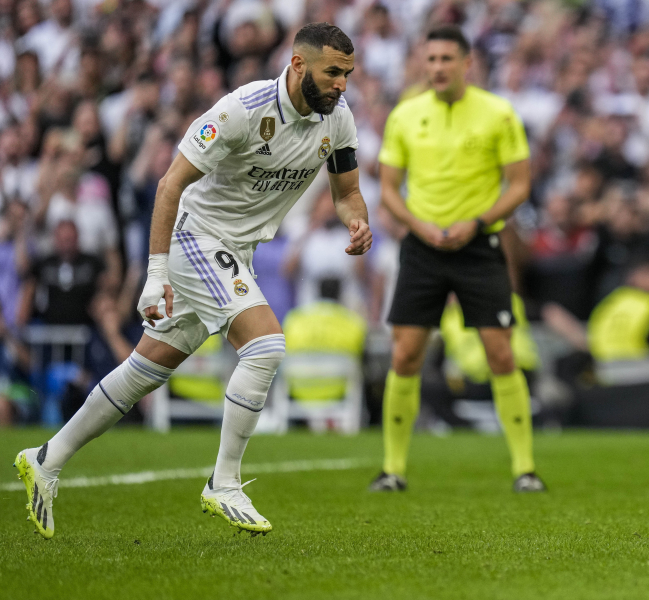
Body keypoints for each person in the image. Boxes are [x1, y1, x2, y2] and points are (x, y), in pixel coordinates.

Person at [14, 22, 372, 540]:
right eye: (333, 73)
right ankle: (223, 483)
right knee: (267, 346)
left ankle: (46, 458)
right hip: (198, 239)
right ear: (298, 65)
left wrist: (355, 219)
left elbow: (347, 192)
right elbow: (168, 185)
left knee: (145, 369)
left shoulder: (337, 119)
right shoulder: (240, 111)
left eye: (348, 74)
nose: (342, 85)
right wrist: (154, 275)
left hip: (238, 251)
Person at [373, 25, 544, 493]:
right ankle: (392, 470)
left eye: (447, 59)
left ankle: (525, 470)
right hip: (422, 248)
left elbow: (520, 185)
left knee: (500, 353)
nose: (437, 68)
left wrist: (478, 221)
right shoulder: (405, 115)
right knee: (405, 353)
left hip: (478, 247)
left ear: (468, 63)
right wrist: (418, 225)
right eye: (430, 60)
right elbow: (388, 189)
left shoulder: (498, 113)